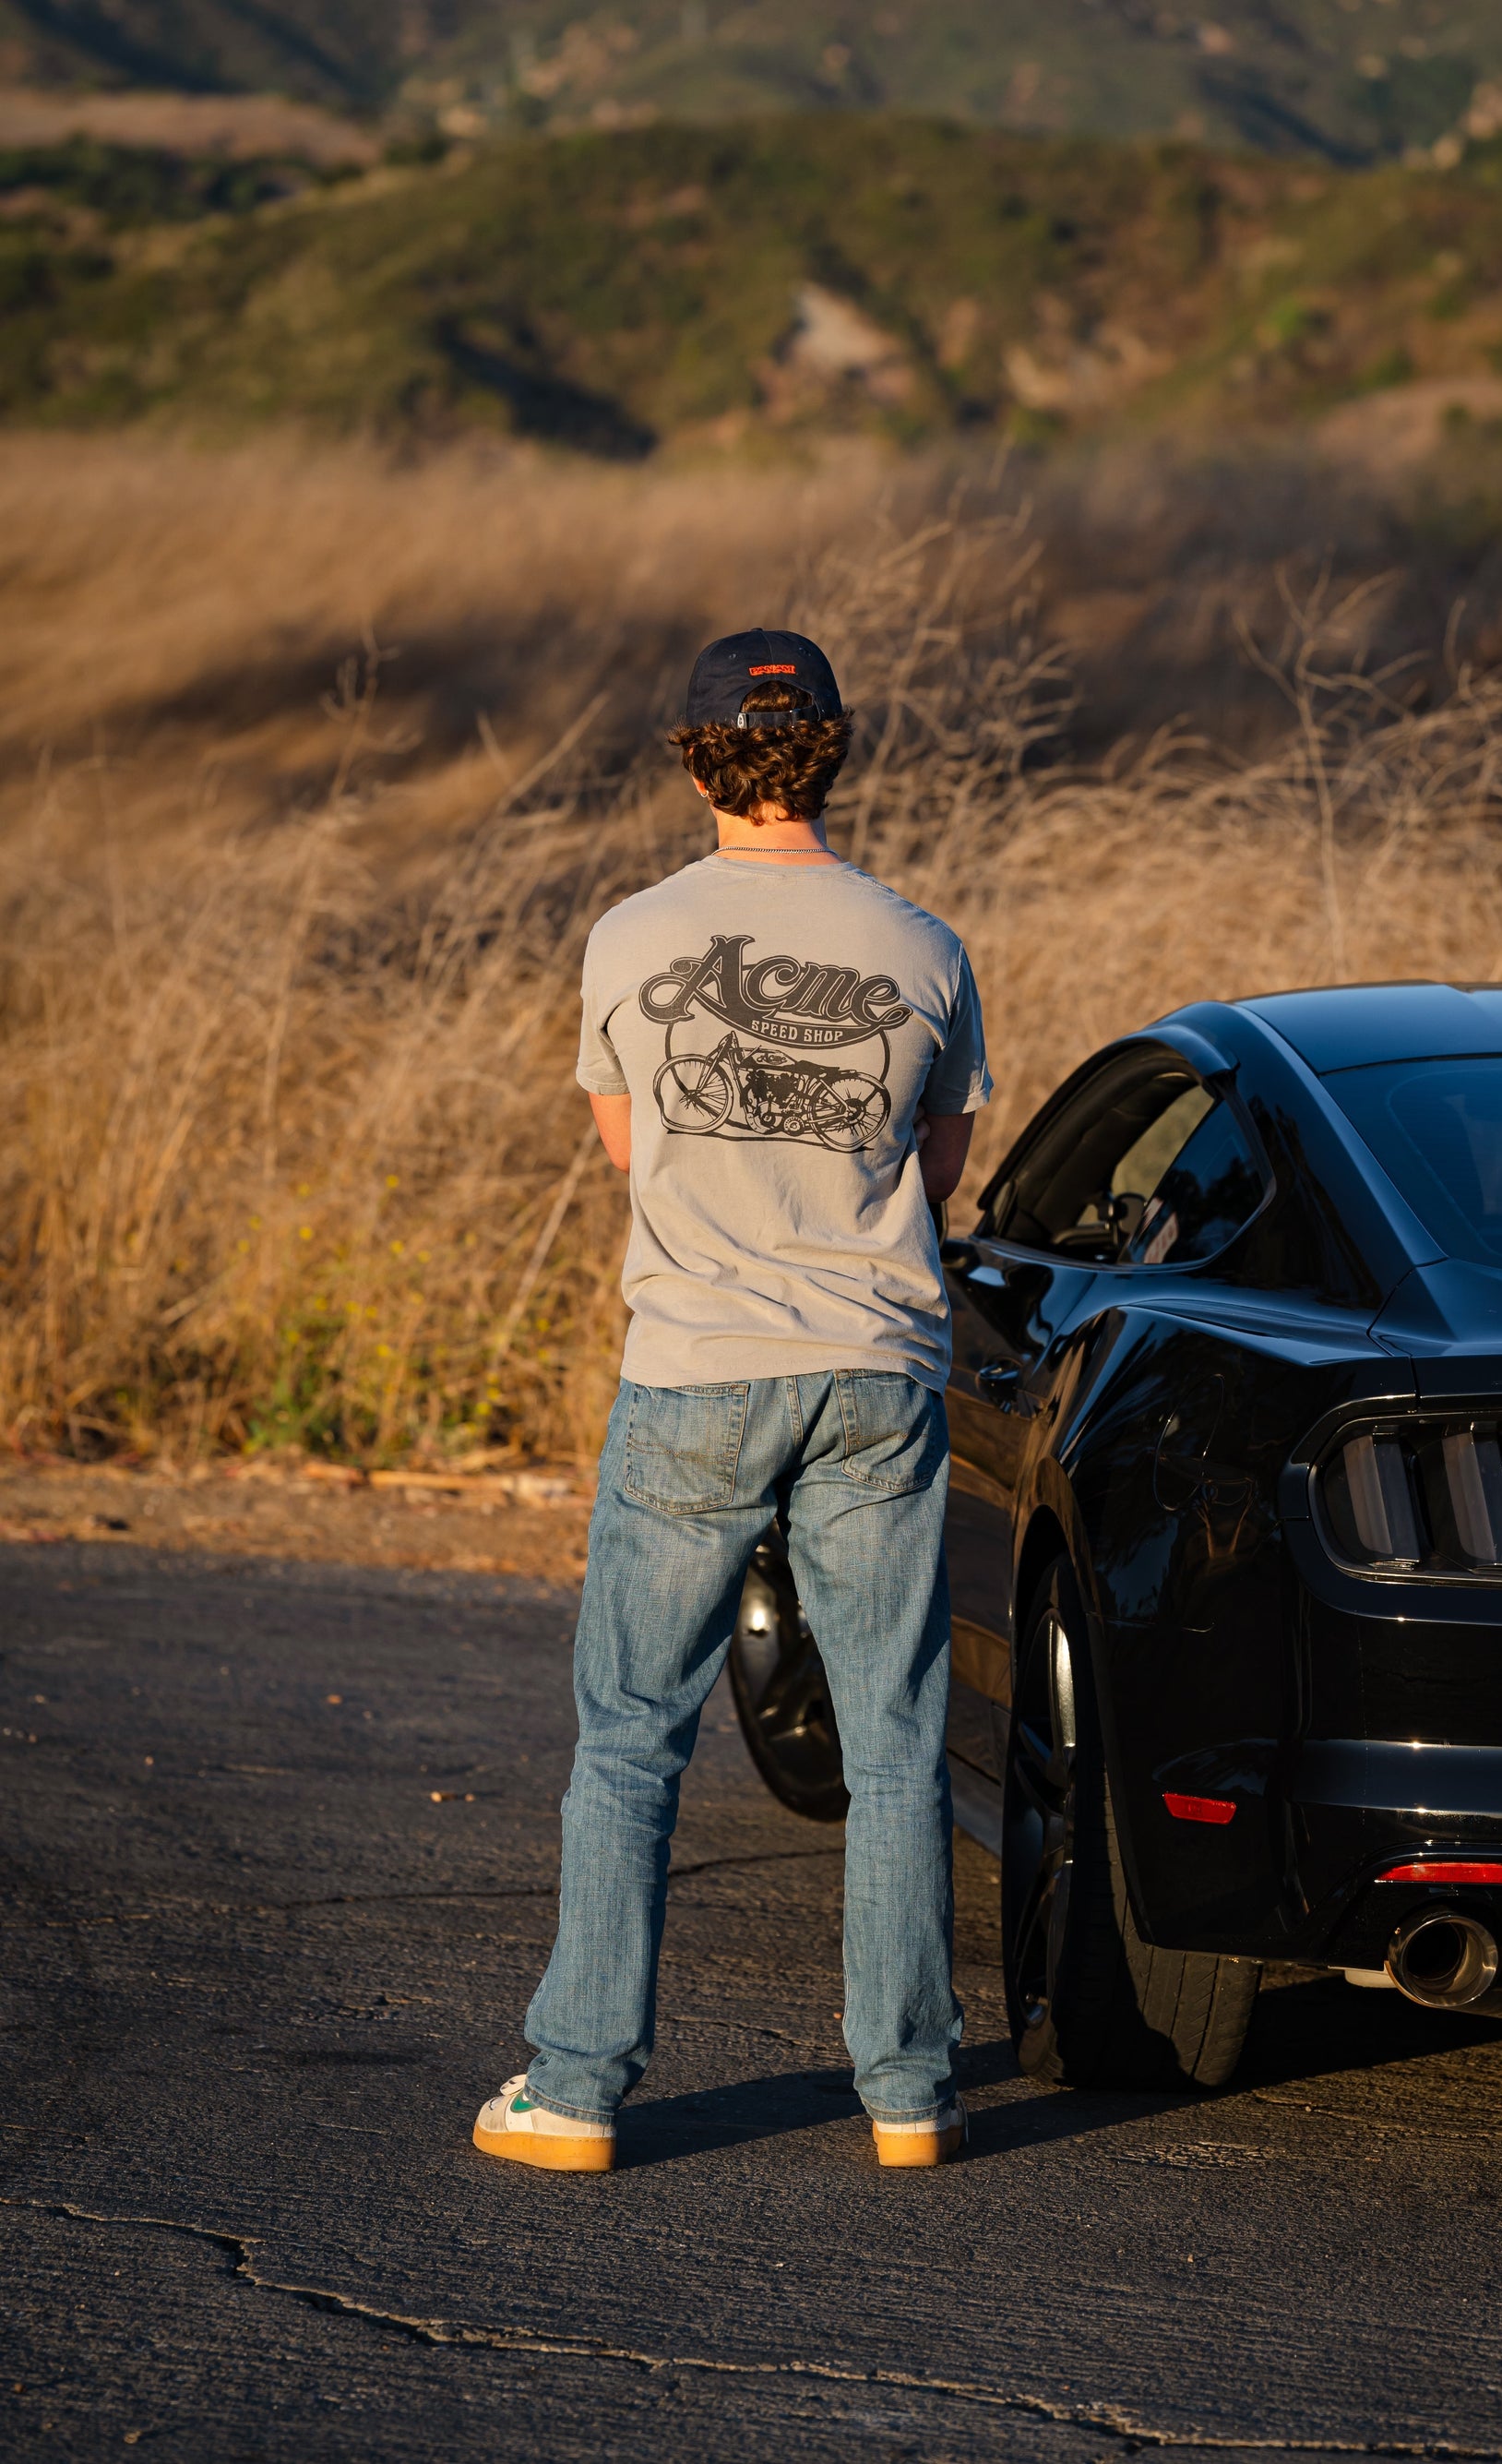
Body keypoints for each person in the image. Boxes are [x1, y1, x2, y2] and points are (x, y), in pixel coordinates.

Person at [472, 628, 990, 2173]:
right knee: (897, 1736)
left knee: (633, 1732)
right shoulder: (927, 946)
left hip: (696, 1366)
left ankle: (575, 2087)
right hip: (877, 1367)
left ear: (697, 759)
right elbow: (938, 1170)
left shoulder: (631, 935)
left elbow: (632, 1155)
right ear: (834, 750)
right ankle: (908, 2090)